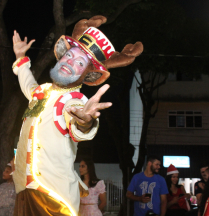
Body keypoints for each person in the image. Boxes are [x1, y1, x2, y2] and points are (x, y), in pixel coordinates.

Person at [11, 15, 143, 216]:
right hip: (24, 190)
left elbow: (78, 121)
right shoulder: (41, 92)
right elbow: (28, 83)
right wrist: (21, 58)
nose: (69, 62)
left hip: (53, 199)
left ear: (87, 74)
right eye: (69, 56)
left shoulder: (75, 100)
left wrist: (85, 121)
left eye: (80, 63)